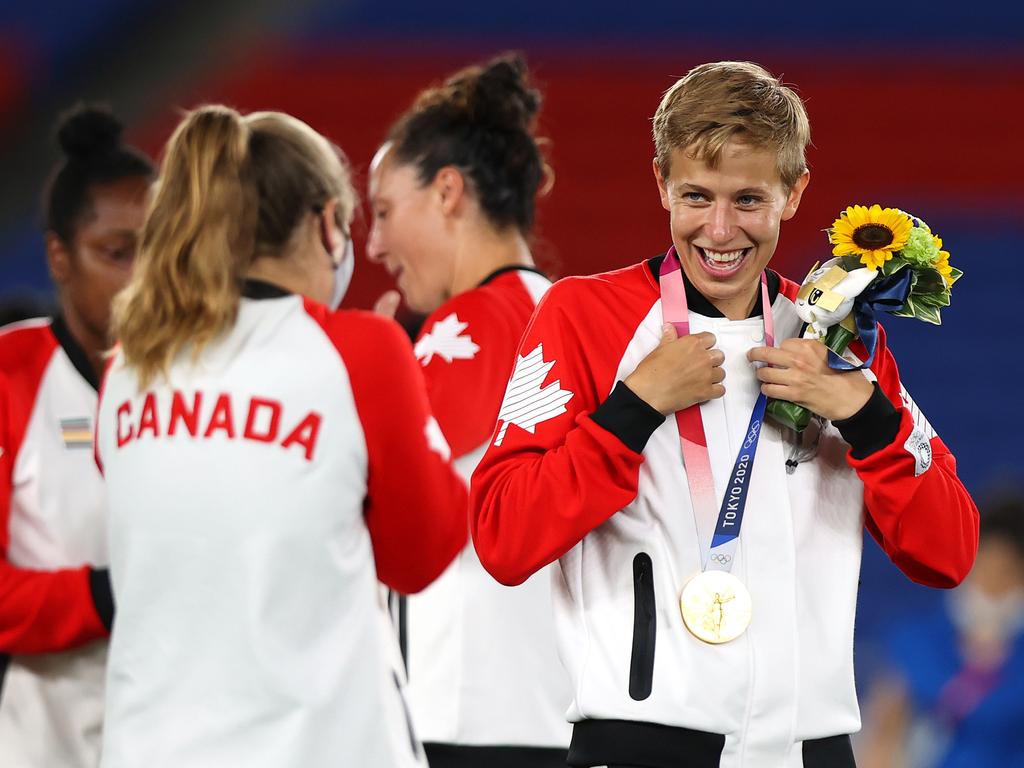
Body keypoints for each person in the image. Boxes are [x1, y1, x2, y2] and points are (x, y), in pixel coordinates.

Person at [470, 61, 979, 768]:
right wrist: (633, 409)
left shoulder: (835, 336)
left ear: (794, 191)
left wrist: (866, 416)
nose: (719, 230)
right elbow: (503, 536)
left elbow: (949, 552)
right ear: (660, 184)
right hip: (642, 739)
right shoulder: (585, 317)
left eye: (747, 199)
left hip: (813, 745)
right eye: (695, 196)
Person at [94, 105, 467, 768]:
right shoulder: (359, 350)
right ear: (327, 224)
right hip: (316, 746)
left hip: (145, 746)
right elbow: (422, 554)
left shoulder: (126, 367)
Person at [367, 53, 572, 767]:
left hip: (463, 717)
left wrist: (367, 377)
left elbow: (377, 501)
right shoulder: (556, 312)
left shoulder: (476, 325)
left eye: (386, 212)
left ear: (448, 193)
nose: (375, 244)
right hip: (537, 712)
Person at [0, 104, 153, 768]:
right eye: (117, 254)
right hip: (41, 741)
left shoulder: (210, 378)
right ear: (59, 256)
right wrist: (105, 594)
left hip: (177, 731)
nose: (142, 278)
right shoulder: (9, 375)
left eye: (160, 251)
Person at [860, 491, 1024, 768]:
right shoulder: (914, 641)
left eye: (1006, 574)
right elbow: (883, 739)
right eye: (983, 569)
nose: (991, 587)